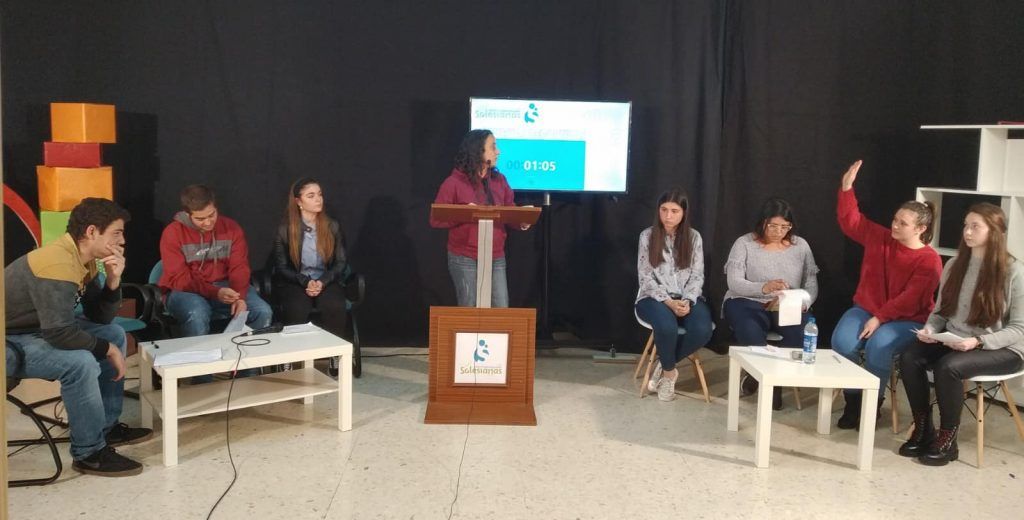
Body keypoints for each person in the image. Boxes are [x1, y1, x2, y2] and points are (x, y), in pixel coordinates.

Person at [5, 198, 152, 476]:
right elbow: (58, 332)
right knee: (80, 363)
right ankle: (89, 453)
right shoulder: (56, 263)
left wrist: (113, 281)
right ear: (92, 232)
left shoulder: (84, 260)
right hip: (10, 340)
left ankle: (104, 428)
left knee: (113, 333)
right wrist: (107, 349)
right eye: (116, 233)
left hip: (36, 330)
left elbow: (100, 318)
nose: (122, 241)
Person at [899, 203, 1023, 465]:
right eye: (966, 225)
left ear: (995, 231)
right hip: (957, 338)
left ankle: (947, 440)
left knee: (948, 367)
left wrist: (978, 341)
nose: (967, 232)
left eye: (975, 226)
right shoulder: (955, 265)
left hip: (1004, 348)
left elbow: (1018, 329)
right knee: (909, 356)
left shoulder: (1015, 271)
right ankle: (923, 428)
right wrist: (931, 330)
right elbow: (941, 312)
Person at [832, 160, 942, 429]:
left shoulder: (929, 260)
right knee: (842, 342)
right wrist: (846, 189)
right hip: (867, 308)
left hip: (907, 318)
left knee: (879, 346)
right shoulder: (880, 237)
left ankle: (872, 405)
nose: (895, 225)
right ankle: (853, 403)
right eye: (895, 219)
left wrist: (880, 318)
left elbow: (912, 299)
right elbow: (851, 222)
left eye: (903, 223)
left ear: (920, 229)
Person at [158, 184, 273, 381]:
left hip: (225, 286)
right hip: (184, 290)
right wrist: (214, 292)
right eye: (200, 218)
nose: (208, 222)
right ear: (187, 214)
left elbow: (239, 266)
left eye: (212, 215)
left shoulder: (231, 228)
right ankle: (202, 380)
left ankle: (246, 375)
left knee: (262, 311)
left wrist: (240, 296)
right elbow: (180, 278)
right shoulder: (173, 233)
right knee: (196, 313)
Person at [723, 197, 819, 409]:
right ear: (763, 222)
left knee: (800, 332)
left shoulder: (800, 246)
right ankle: (763, 380)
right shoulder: (745, 243)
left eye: (785, 227)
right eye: (773, 226)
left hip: (786, 302)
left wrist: (804, 301)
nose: (778, 231)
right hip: (747, 300)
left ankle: (774, 382)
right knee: (750, 330)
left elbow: (811, 283)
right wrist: (764, 288)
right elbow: (734, 282)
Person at [429, 129, 529, 307]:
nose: (498, 151)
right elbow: (436, 219)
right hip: (464, 256)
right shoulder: (453, 183)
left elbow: (508, 210)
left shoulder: (499, 181)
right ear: (478, 150)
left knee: (501, 307)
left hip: (495, 255)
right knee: (469, 306)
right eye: (493, 147)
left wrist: (521, 219)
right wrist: (463, 213)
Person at [636, 189, 713, 401]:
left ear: (684, 213)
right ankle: (670, 375)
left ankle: (664, 364)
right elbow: (645, 277)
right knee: (666, 327)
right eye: (664, 210)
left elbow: (697, 275)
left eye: (674, 211)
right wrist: (669, 302)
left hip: (687, 296)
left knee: (703, 330)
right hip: (653, 297)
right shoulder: (647, 236)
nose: (668, 216)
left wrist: (687, 300)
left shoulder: (694, 237)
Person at [272, 178, 348, 373]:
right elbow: (281, 267)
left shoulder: (332, 226)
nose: (318, 199)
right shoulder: (285, 229)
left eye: (320, 194)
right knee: (296, 307)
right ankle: (289, 356)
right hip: (296, 280)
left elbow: (341, 263)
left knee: (334, 305)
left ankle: (334, 355)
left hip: (326, 279)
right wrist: (305, 281)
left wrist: (322, 281)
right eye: (311, 195)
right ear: (298, 201)